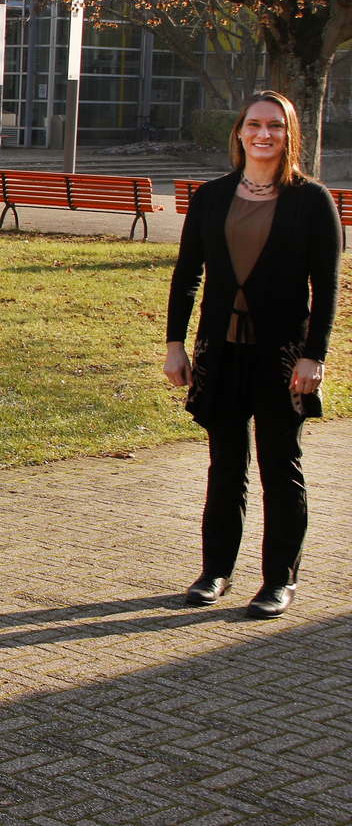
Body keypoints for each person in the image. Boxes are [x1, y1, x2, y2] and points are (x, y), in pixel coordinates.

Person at [165, 92, 340, 619]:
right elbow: (187, 273)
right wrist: (176, 343)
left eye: (276, 127)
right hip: (221, 351)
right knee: (225, 466)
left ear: (290, 135)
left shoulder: (313, 201)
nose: (264, 134)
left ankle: (279, 581)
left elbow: (327, 286)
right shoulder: (212, 197)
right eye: (255, 125)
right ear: (239, 132)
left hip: (282, 355)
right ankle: (215, 570)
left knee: (280, 467)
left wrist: (315, 356)